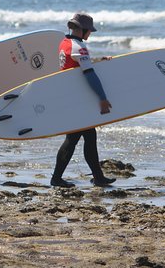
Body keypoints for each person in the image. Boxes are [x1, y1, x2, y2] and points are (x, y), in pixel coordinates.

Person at [50, 13, 117, 188]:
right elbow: (88, 74)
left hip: (70, 98)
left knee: (89, 136)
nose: (90, 34)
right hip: (76, 102)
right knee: (72, 139)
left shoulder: (65, 43)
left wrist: (98, 62)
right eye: (89, 31)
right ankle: (56, 178)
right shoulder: (78, 47)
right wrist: (102, 97)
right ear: (83, 30)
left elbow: (78, 67)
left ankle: (98, 177)